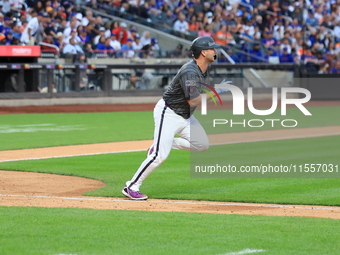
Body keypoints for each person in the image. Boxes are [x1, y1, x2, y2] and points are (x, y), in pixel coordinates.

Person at [122, 36, 230, 200]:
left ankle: (163, 143)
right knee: (160, 156)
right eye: (212, 49)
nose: (215, 51)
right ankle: (131, 186)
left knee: (202, 145)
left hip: (185, 115)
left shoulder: (203, 68)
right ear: (203, 52)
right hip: (169, 113)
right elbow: (193, 100)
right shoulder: (190, 71)